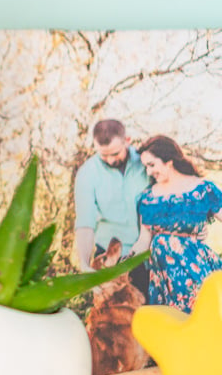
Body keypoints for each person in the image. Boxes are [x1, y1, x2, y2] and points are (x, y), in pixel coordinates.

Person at [128, 135, 222, 313]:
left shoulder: (202, 190)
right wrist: (125, 263)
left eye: (151, 165)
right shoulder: (147, 199)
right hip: (163, 280)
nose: (148, 172)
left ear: (169, 160)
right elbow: (144, 240)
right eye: (145, 167)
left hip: (197, 271)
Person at [74, 120, 151, 282]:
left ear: (127, 141)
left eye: (115, 154)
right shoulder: (87, 174)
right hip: (111, 259)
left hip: (149, 255)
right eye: (104, 155)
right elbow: (85, 224)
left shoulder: (146, 164)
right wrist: (84, 264)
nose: (110, 160)